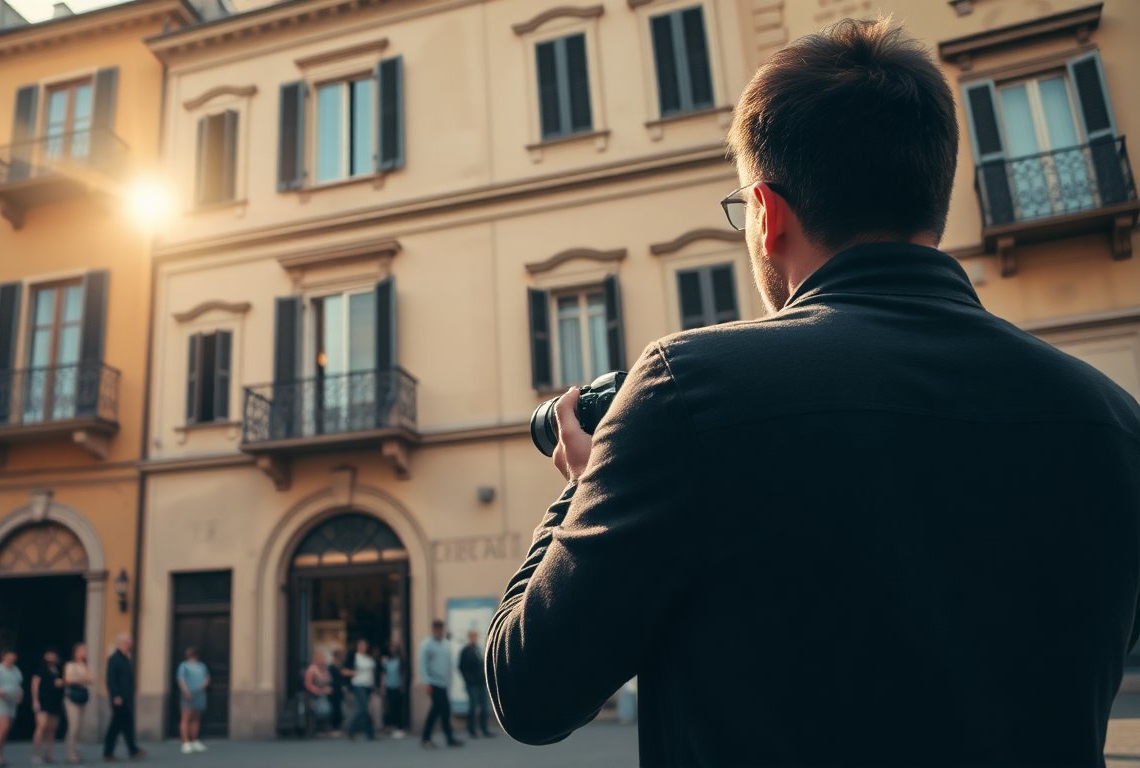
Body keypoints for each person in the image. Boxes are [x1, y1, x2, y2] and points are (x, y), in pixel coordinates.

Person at [484, 16, 1140, 768]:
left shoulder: (687, 391)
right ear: (935, 190)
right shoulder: (1114, 422)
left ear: (765, 214)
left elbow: (528, 694)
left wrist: (579, 485)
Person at [418, 620, 461, 749]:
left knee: (441, 711)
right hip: (434, 683)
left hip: (444, 683)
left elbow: (448, 664)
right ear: (433, 630)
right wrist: (427, 683)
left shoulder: (445, 644)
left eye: (441, 629)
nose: (439, 631)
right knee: (439, 711)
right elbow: (423, 665)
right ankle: (428, 739)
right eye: (437, 629)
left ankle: (446, 738)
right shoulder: (427, 645)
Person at [102, 633, 144, 762]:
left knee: (127, 724)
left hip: (127, 697)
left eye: (130, 643)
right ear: (121, 644)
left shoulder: (126, 659)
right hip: (119, 698)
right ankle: (108, 752)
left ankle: (132, 749)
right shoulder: (114, 659)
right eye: (127, 643)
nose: (129, 645)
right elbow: (111, 680)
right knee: (116, 726)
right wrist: (115, 695)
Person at [63, 642, 95, 765]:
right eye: (82, 650)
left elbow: (92, 679)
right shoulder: (70, 665)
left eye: (85, 651)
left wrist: (85, 677)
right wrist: (82, 679)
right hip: (72, 699)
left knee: (79, 727)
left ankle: (76, 751)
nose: (84, 653)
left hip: (82, 697)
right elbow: (68, 680)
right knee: (73, 726)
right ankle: (70, 753)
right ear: (76, 652)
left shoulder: (85, 665)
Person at [31, 647, 65, 765]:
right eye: (49, 654)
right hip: (43, 701)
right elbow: (35, 684)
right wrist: (35, 700)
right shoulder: (40, 669)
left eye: (53, 655)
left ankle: (48, 754)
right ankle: (36, 754)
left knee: (52, 729)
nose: (52, 657)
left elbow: (61, 683)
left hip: (55, 702)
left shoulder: (57, 669)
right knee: (41, 727)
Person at [457, 630, 492, 738]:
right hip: (472, 684)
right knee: (472, 707)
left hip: (481, 683)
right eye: (472, 636)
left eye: (475, 636)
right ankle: (471, 730)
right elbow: (461, 667)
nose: (474, 638)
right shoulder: (465, 651)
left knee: (484, 707)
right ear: (469, 637)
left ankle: (484, 729)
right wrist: (469, 680)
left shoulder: (478, 649)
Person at [175, 647, 210, 754]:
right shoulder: (184, 666)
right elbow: (181, 679)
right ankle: (186, 742)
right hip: (188, 693)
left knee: (196, 718)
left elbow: (207, 677)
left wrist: (204, 684)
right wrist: (186, 691)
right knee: (186, 718)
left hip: (199, 693)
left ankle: (194, 740)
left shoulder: (202, 666)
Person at [342, 639, 376, 741]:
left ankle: (370, 734)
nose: (362, 647)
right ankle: (350, 729)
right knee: (363, 709)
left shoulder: (369, 658)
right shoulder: (353, 657)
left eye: (364, 645)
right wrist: (356, 672)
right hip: (358, 684)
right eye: (360, 645)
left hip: (368, 685)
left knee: (367, 710)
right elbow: (344, 671)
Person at [302, 651, 333, 734]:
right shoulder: (312, 670)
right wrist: (318, 691)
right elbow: (307, 684)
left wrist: (326, 688)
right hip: (313, 695)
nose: (322, 661)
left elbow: (328, 680)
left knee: (327, 709)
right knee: (317, 711)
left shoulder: (324, 669)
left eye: (323, 659)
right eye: (320, 659)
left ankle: (323, 729)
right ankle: (315, 729)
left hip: (323, 694)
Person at [380, 642, 406, 739]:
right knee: (390, 708)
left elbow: (402, 674)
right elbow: (384, 674)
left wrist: (402, 686)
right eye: (391, 647)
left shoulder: (400, 660)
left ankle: (400, 728)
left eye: (394, 647)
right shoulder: (387, 660)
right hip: (389, 686)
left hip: (397, 686)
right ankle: (392, 726)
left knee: (398, 708)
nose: (392, 649)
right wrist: (383, 687)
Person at [325, 649, 344, 736]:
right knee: (333, 708)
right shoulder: (331, 667)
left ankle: (337, 727)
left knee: (338, 709)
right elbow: (329, 679)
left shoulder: (340, 667)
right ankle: (333, 727)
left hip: (339, 690)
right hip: (333, 690)